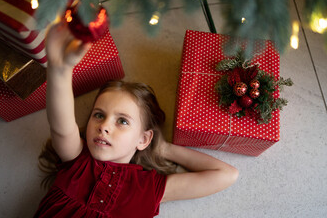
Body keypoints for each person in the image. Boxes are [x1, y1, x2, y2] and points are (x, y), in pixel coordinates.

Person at [34, 22, 239, 218]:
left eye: (122, 121)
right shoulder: (77, 162)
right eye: (98, 115)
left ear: (143, 139)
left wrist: (162, 148)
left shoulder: (149, 188)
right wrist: (59, 69)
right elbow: (61, 126)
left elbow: (226, 174)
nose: (104, 126)